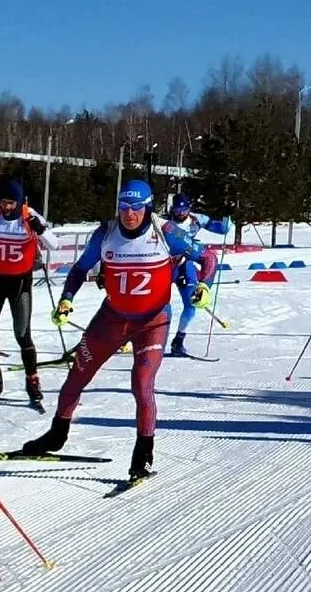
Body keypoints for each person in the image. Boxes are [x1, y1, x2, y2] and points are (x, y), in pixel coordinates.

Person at [15, 180, 218, 484]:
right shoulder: (106, 233)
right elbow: (79, 269)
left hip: (153, 321)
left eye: (136, 208)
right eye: (123, 207)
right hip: (112, 318)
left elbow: (208, 258)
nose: (129, 214)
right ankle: (56, 436)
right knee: (76, 377)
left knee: (141, 384)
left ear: (147, 207)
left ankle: (143, 454)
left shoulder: (167, 233)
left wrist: (203, 285)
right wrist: (66, 300)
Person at [0, 179, 60, 403]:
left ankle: (32, 381)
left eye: (11, 203)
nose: (6, 207)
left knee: (22, 334)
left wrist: (40, 231)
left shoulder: (30, 216)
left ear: (19, 202)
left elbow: (54, 244)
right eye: (3, 202)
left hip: (20, 283)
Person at [162, 193, 230, 356]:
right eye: (178, 210)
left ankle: (178, 341)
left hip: (185, 264)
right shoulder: (164, 221)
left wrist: (226, 223)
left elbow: (218, 228)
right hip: (165, 265)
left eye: (184, 210)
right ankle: (131, 337)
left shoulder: (197, 219)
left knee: (192, 304)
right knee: (152, 304)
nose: (181, 213)